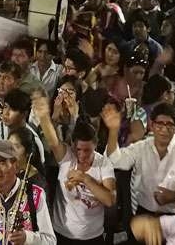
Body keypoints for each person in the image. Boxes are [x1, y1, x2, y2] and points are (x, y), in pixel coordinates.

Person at [34, 94, 115, 244]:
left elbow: (110, 200)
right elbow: (53, 141)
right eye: (78, 150)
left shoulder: (103, 164)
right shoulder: (67, 156)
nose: (82, 155)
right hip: (62, 234)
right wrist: (44, 117)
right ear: (72, 145)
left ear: (96, 144)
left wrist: (85, 178)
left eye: (87, 150)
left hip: (92, 237)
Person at [103, 102, 175, 214]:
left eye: (169, 125)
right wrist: (113, 130)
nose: (164, 130)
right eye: (160, 125)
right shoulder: (141, 148)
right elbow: (114, 161)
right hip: (143, 213)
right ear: (152, 125)